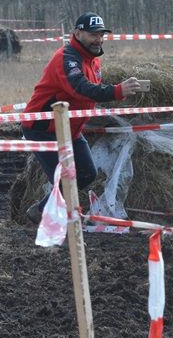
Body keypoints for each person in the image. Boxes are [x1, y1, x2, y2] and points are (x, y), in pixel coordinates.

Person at [21, 12, 141, 224]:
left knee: (87, 174)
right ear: (77, 33)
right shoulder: (66, 59)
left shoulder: (93, 61)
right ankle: (52, 221)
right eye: (93, 35)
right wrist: (116, 91)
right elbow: (81, 88)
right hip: (43, 129)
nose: (99, 39)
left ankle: (41, 210)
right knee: (66, 181)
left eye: (101, 35)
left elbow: (89, 95)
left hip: (71, 130)